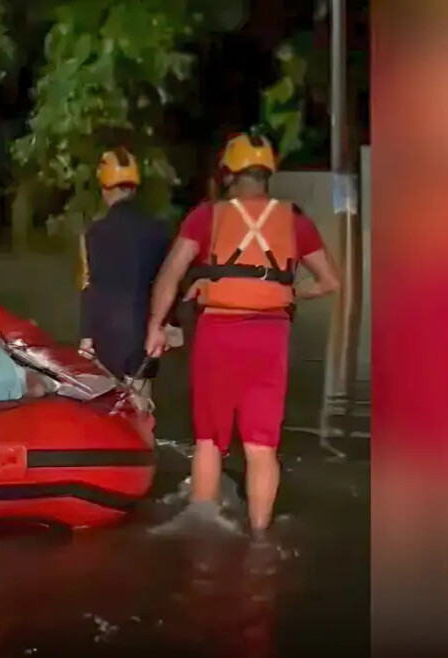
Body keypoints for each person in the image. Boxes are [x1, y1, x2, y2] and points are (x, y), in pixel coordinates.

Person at [145, 130, 340, 537]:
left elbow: (170, 274)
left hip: (219, 334)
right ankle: (261, 537)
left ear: (229, 175)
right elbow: (329, 282)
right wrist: (286, 292)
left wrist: (156, 327)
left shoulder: (206, 216)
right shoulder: (295, 219)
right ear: (268, 174)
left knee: (209, 441)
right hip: (270, 338)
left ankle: (202, 534)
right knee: (262, 446)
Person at [78, 146, 175, 395]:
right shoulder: (159, 228)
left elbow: (90, 286)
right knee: (140, 408)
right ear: (134, 188)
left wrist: (86, 336)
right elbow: (167, 281)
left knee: (108, 410)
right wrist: (168, 324)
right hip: (143, 337)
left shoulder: (94, 233)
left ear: (104, 188)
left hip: (105, 339)